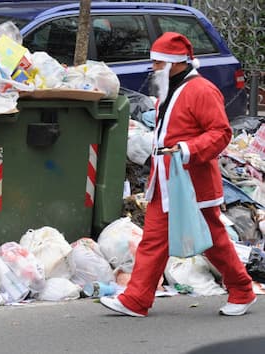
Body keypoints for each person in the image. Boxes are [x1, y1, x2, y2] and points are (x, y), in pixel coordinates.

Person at [100, 32, 256, 317]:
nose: (154, 68)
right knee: (155, 240)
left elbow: (221, 133)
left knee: (214, 241)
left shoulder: (201, 90)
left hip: (192, 182)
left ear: (175, 63)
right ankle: (136, 299)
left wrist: (186, 149)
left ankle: (243, 289)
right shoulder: (169, 89)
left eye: (159, 62)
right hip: (168, 180)